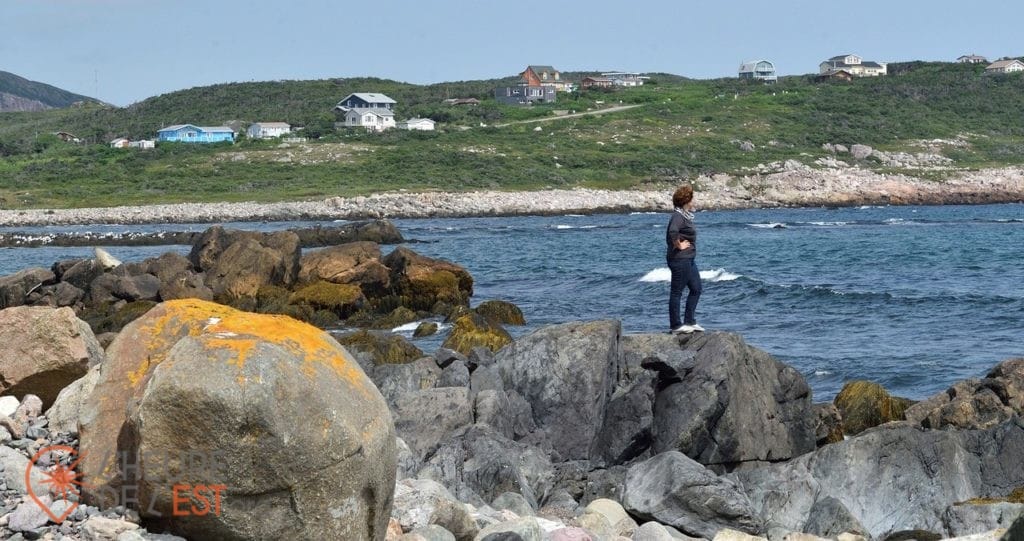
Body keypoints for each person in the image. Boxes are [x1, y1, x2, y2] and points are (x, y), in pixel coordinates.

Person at [665, 184, 704, 334]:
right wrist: (678, 245)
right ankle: (676, 325)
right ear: (687, 200)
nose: (694, 201)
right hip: (679, 259)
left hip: (689, 259)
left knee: (696, 289)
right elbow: (672, 231)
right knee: (677, 292)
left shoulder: (684, 216)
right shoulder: (678, 216)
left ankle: (689, 321)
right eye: (693, 198)